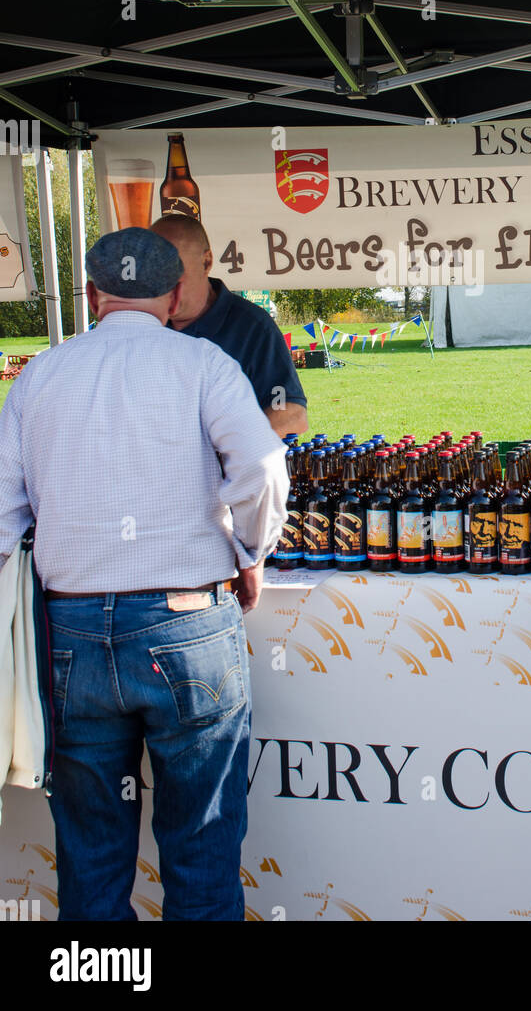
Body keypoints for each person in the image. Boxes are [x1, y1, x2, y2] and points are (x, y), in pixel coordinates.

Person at [0, 227, 288, 921]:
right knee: (202, 844)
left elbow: (4, 509)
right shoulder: (205, 364)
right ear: (178, 294)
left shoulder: (42, 372)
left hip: (69, 626)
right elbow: (261, 469)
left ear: (93, 294)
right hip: (187, 618)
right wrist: (250, 552)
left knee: (91, 854)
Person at [150, 214, 308, 438]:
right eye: (154, 273)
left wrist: (228, 448)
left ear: (206, 262)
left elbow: (289, 411)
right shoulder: (144, 325)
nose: (163, 285)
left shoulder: (251, 327)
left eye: (174, 271)